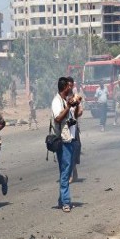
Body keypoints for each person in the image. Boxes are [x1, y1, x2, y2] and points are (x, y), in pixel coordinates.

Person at [51, 76, 82, 212]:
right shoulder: (57, 101)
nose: (71, 88)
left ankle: (61, 199)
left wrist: (75, 105)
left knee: (67, 170)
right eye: (69, 87)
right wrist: (69, 106)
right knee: (65, 172)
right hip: (63, 141)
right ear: (64, 87)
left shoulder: (65, 100)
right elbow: (58, 118)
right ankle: (66, 202)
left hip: (71, 138)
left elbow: (75, 116)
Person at [67, 76, 81, 183]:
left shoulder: (76, 96)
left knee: (73, 151)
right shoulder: (63, 97)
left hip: (74, 128)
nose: (69, 86)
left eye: (70, 85)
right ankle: (73, 174)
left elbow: (80, 111)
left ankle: (73, 175)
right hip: (65, 128)